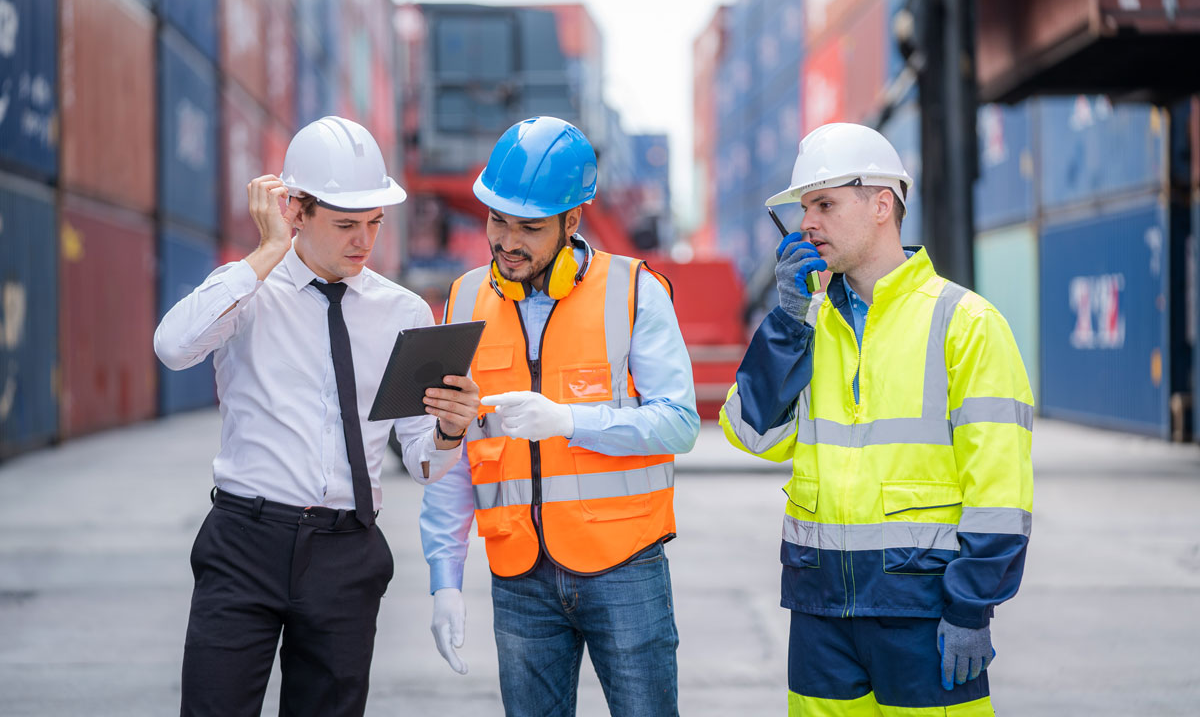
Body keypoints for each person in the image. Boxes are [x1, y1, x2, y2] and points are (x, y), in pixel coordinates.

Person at [154, 116, 481, 717]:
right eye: (346, 224)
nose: (363, 241)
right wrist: (267, 252)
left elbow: (423, 460)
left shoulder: (402, 311)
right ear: (296, 210)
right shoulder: (248, 293)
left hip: (345, 554)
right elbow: (173, 347)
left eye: (374, 224)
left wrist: (451, 430)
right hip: (244, 544)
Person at [719, 123, 1033, 716]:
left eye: (825, 204)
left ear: (882, 204)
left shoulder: (965, 322)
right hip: (819, 612)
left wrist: (971, 606)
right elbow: (751, 433)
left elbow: (1000, 491)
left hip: (923, 610)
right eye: (804, 207)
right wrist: (785, 325)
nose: (807, 222)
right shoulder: (807, 323)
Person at [419, 116, 700, 716]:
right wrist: (445, 576)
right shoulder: (465, 300)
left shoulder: (634, 292)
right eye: (498, 219)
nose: (507, 241)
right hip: (518, 575)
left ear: (573, 221)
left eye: (530, 226)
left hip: (625, 565)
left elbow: (679, 423)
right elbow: (455, 454)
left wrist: (570, 422)